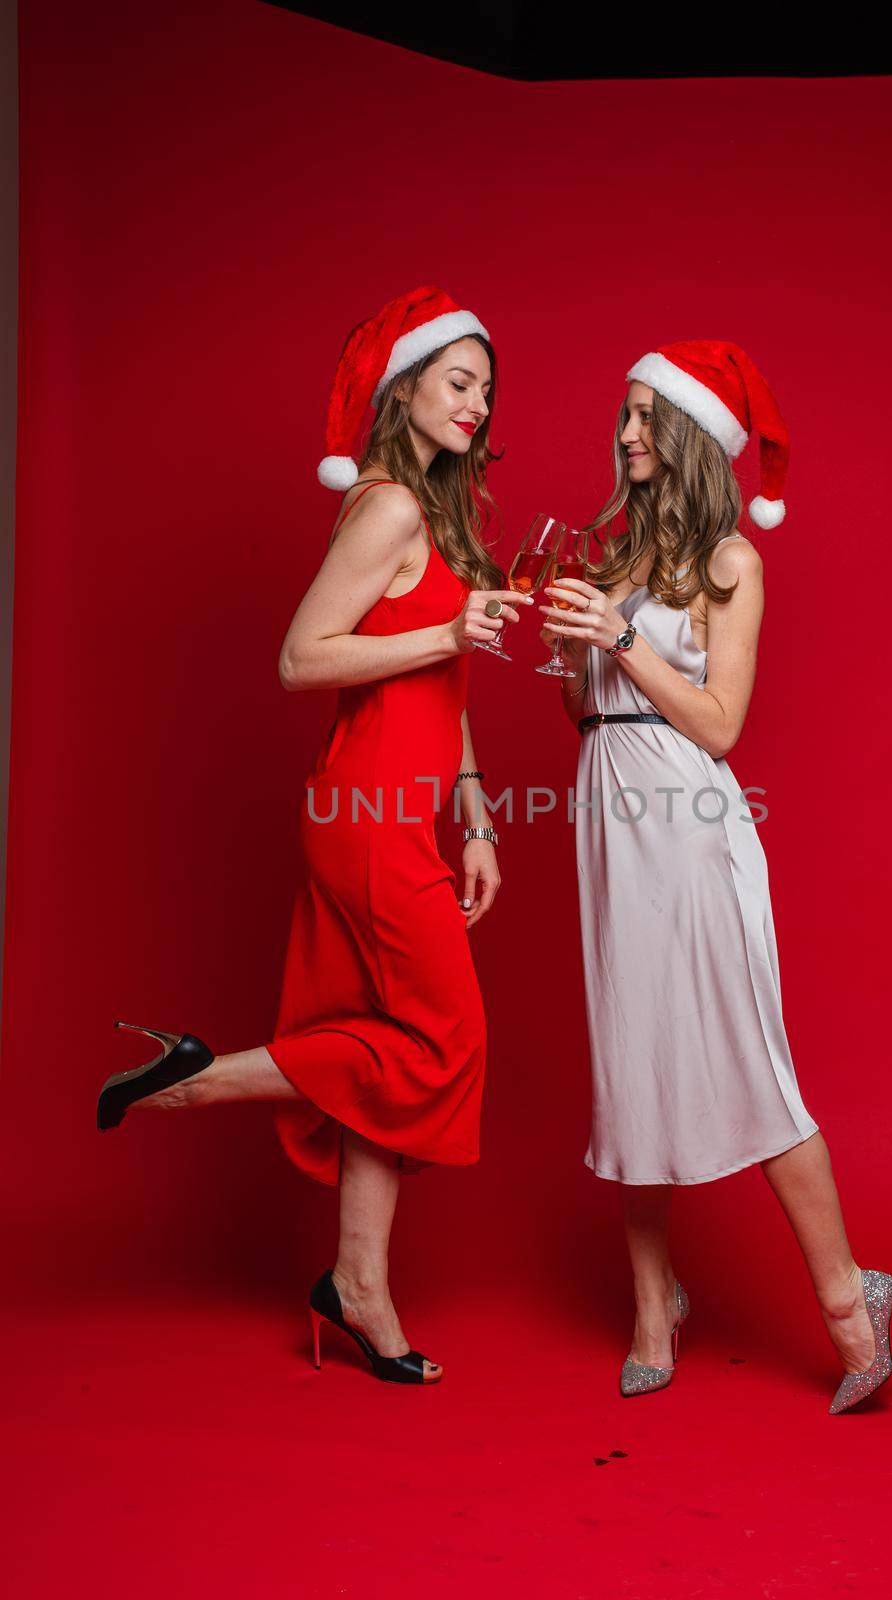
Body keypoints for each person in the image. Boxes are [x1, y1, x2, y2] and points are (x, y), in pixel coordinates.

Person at [96, 285, 535, 1387]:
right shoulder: (386, 507)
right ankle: (193, 1077)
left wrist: (476, 813)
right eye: (457, 380)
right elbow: (300, 657)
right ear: (407, 387)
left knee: (386, 1050)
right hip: (368, 814)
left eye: (486, 387)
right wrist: (445, 625)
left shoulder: (440, 514)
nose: (477, 403)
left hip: (409, 812)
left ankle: (358, 1285)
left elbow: (448, 681)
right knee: (442, 1044)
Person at [539, 338, 892, 1407]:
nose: (621, 435)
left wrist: (618, 636)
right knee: (631, 1065)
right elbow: (587, 712)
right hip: (608, 814)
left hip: (689, 821)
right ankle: (651, 1300)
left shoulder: (729, 563)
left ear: (689, 439)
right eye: (618, 416)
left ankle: (852, 1300)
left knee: (750, 1066)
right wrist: (571, 646)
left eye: (640, 417)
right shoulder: (608, 557)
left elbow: (718, 723)